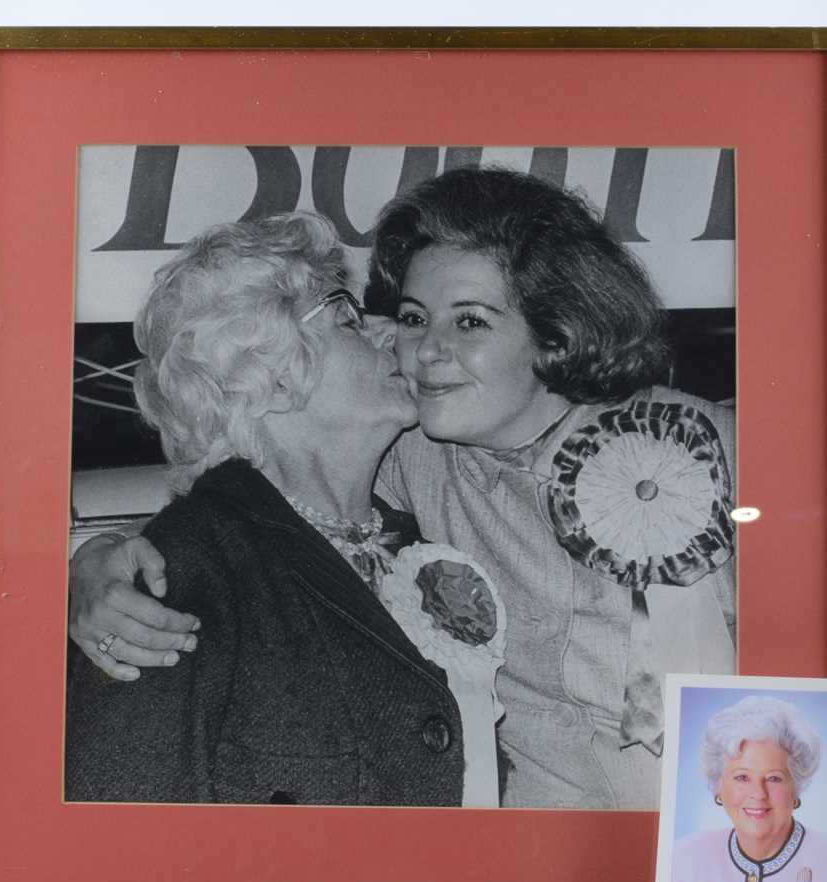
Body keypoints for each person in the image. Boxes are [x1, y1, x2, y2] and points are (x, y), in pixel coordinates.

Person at [72, 167, 736, 809]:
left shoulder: (697, 441)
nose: (415, 348)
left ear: (553, 330)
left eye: (470, 320)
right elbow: (253, 503)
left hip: (719, 842)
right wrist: (93, 564)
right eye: (409, 318)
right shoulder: (411, 457)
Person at [65, 211, 507, 808]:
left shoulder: (414, 533)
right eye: (348, 319)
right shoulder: (175, 579)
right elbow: (126, 847)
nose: (388, 331)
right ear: (268, 380)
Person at [670, 695, 827, 882]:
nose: (758, 793)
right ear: (719, 785)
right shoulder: (682, 859)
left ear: (795, 787)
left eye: (773, 779)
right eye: (742, 777)